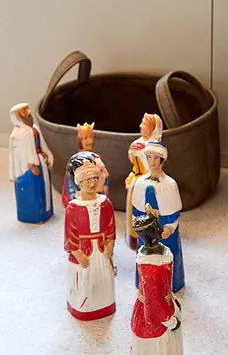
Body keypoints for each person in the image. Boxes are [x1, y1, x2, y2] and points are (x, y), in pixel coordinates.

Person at [130, 206, 183, 355]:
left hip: (165, 304)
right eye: (157, 227)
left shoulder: (159, 254)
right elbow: (153, 301)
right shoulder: (151, 266)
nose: (161, 229)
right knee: (158, 351)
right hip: (155, 317)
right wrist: (169, 319)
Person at [64, 151, 116, 321]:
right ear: (79, 182)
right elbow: (70, 235)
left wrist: (110, 244)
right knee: (85, 280)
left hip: (101, 249)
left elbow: (110, 226)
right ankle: (84, 307)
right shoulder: (73, 207)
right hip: (84, 251)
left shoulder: (104, 203)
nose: (92, 183)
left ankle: (104, 304)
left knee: (103, 278)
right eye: (87, 180)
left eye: (95, 179)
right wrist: (78, 254)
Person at [131, 141, 184, 293]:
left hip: (164, 225)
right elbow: (136, 209)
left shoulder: (170, 184)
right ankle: (144, 283)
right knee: (145, 254)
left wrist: (169, 227)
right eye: (149, 157)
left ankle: (171, 284)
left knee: (168, 253)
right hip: (146, 227)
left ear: (162, 160)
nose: (152, 162)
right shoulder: (140, 182)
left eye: (155, 158)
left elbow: (173, 212)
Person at [8, 103, 54, 224]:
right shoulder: (19, 134)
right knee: (32, 190)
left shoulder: (33, 129)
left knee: (43, 187)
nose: (28, 113)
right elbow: (21, 153)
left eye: (28, 109)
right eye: (24, 112)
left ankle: (46, 212)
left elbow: (41, 144)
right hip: (29, 168)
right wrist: (31, 165)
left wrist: (46, 155)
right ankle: (33, 215)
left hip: (40, 161)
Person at [125, 114, 163, 250]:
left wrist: (156, 119)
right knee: (134, 208)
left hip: (151, 179)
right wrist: (132, 175)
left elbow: (159, 129)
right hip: (138, 180)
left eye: (144, 124)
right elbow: (134, 165)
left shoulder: (154, 143)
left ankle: (155, 235)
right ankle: (135, 237)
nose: (140, 126)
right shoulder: (135, 145)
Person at [61, 123, 109, 208]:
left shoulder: (97, 158)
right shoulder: (76, 161)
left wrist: (104, 186)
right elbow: (71, 182)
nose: (89, 141)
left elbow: (105, 176)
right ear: (80, 140)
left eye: (91, 137)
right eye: (85, 138)